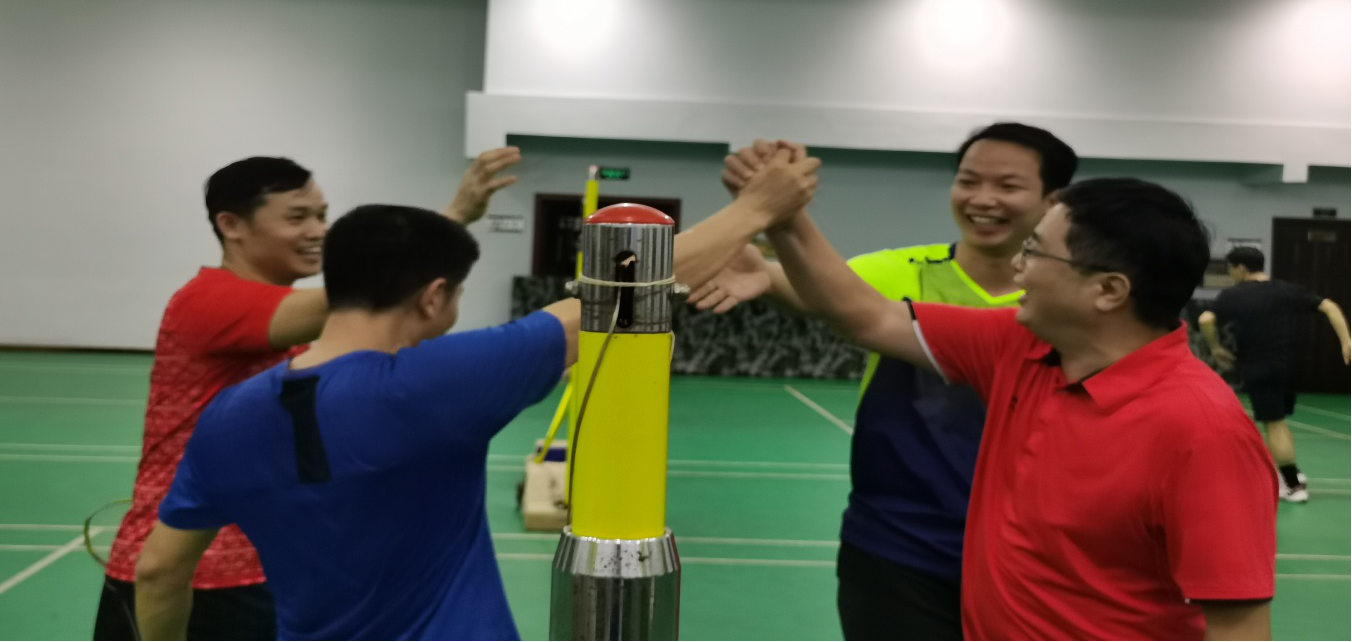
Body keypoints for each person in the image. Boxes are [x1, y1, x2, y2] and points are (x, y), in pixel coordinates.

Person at [133, 150, 820, 641]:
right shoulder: (438, 385)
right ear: (435, 296)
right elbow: (615, 295)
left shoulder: (227, 417)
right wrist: (758, 208)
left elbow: (160, 570)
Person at [757, 171, 1276, 641]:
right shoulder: (1020, 346)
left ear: (1108, 290)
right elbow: (865, 316)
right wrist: (782, 218)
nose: (1017, 266)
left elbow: (1239, 626)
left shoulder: (1202, 431)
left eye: (1034, 252)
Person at [95, 147, 523, 641]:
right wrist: (452, 220)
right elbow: (366, 294)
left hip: (267, 568)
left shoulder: (300, 328)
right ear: (231, 225)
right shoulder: (208, 301)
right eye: (297, 217)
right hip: (188, 575)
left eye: (322, 215)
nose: (319, 231)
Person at [692, 125, 1077, 641]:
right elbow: (826, 294)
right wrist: (766, 256)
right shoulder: (901, 270)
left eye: (1008, 186)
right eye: (968, 181)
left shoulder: (1068, 303)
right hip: (898, 550)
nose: (982, 199)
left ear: (1053, 201)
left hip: (1033, 557)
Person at [1199, 246, 1352, 502]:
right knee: (1278, 422)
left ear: (1241, 269)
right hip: (1289, 367)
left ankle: (1293, 486)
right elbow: (1330, 306)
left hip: (1259, 367)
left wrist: (1216, 348)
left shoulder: (1233, 295)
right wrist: (1346, 341)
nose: (1231, 274)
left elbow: (1205, 319)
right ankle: (1292, 472)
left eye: (1231, 269)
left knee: (1274, 425)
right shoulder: (1285, 289)